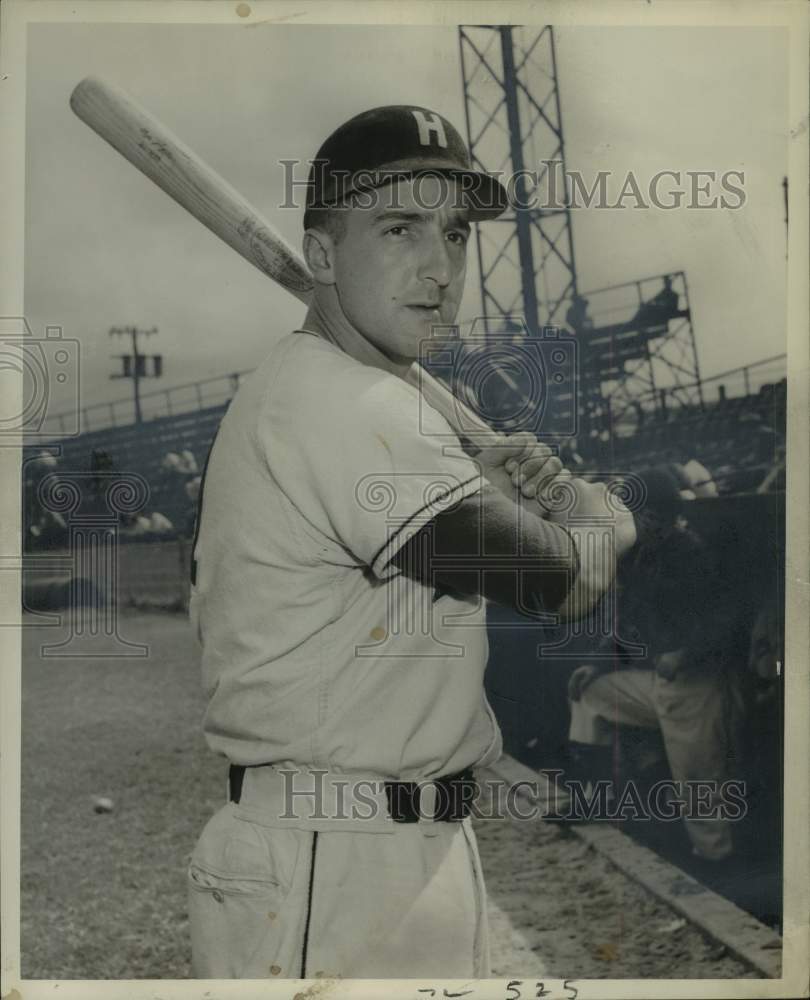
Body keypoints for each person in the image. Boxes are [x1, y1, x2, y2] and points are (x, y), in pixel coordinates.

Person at [187, 105, 636, 980]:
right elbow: (561, 584)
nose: (440, 270)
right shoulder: (343, 402)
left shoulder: (343, 393)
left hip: (390, 844)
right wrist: (601, 515)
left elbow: (444, 573)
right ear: (321, 257)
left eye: (456, 234)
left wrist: (504, 499)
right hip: (333, 862)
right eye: (399, 229)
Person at [565, 466, 742, 862]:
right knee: (588, 693)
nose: (632, 522)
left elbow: (728, 625)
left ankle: (717, 860)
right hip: (653, 683)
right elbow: (625, 627)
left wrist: (684, 654)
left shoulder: (694, 555)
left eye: (639, 514)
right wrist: (597, 664)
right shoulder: (637, 557)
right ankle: (594, 798)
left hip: (696, 685)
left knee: (698, 781)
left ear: (658, 517)